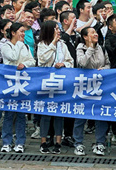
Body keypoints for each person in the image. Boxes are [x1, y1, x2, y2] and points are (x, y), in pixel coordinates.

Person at [36, 20, 73, 154]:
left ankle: (58, 142)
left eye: (59, 28)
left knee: (59, 113)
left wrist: (63, 64)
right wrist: (53, 44)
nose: (59, 31)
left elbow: (70, 61)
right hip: (46, 82)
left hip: (60, 82)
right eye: (56, 29)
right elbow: (42, 60)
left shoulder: (62, 45)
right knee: (46, 113)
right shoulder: (42, 44)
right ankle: (43, 142)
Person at [73, 26, 110, 156]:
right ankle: (78, 143)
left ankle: (100, 143)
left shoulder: (102, 48)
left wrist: (103, 69)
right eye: (92, 33)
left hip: (99, 86)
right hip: (84, 86)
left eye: (96, 32)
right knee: (81, 114)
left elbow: (108, 64)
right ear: (85, 36)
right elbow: (82, 63)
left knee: (100, 114)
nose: (96, 34)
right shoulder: (80, 48)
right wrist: (90, 48)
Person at [0, 23, 34, 153]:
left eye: (24, 32)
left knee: (21, 114)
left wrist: (24, 63)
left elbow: (32, 61)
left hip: (22, 83)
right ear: (13, 33)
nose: (23, 34)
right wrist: (19, 44)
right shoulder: (5, 46)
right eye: (21, 31)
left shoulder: (25, 46)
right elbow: (12, 57)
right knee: (8, 114)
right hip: (9, 84)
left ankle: (20, 142)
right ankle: (6, 142)